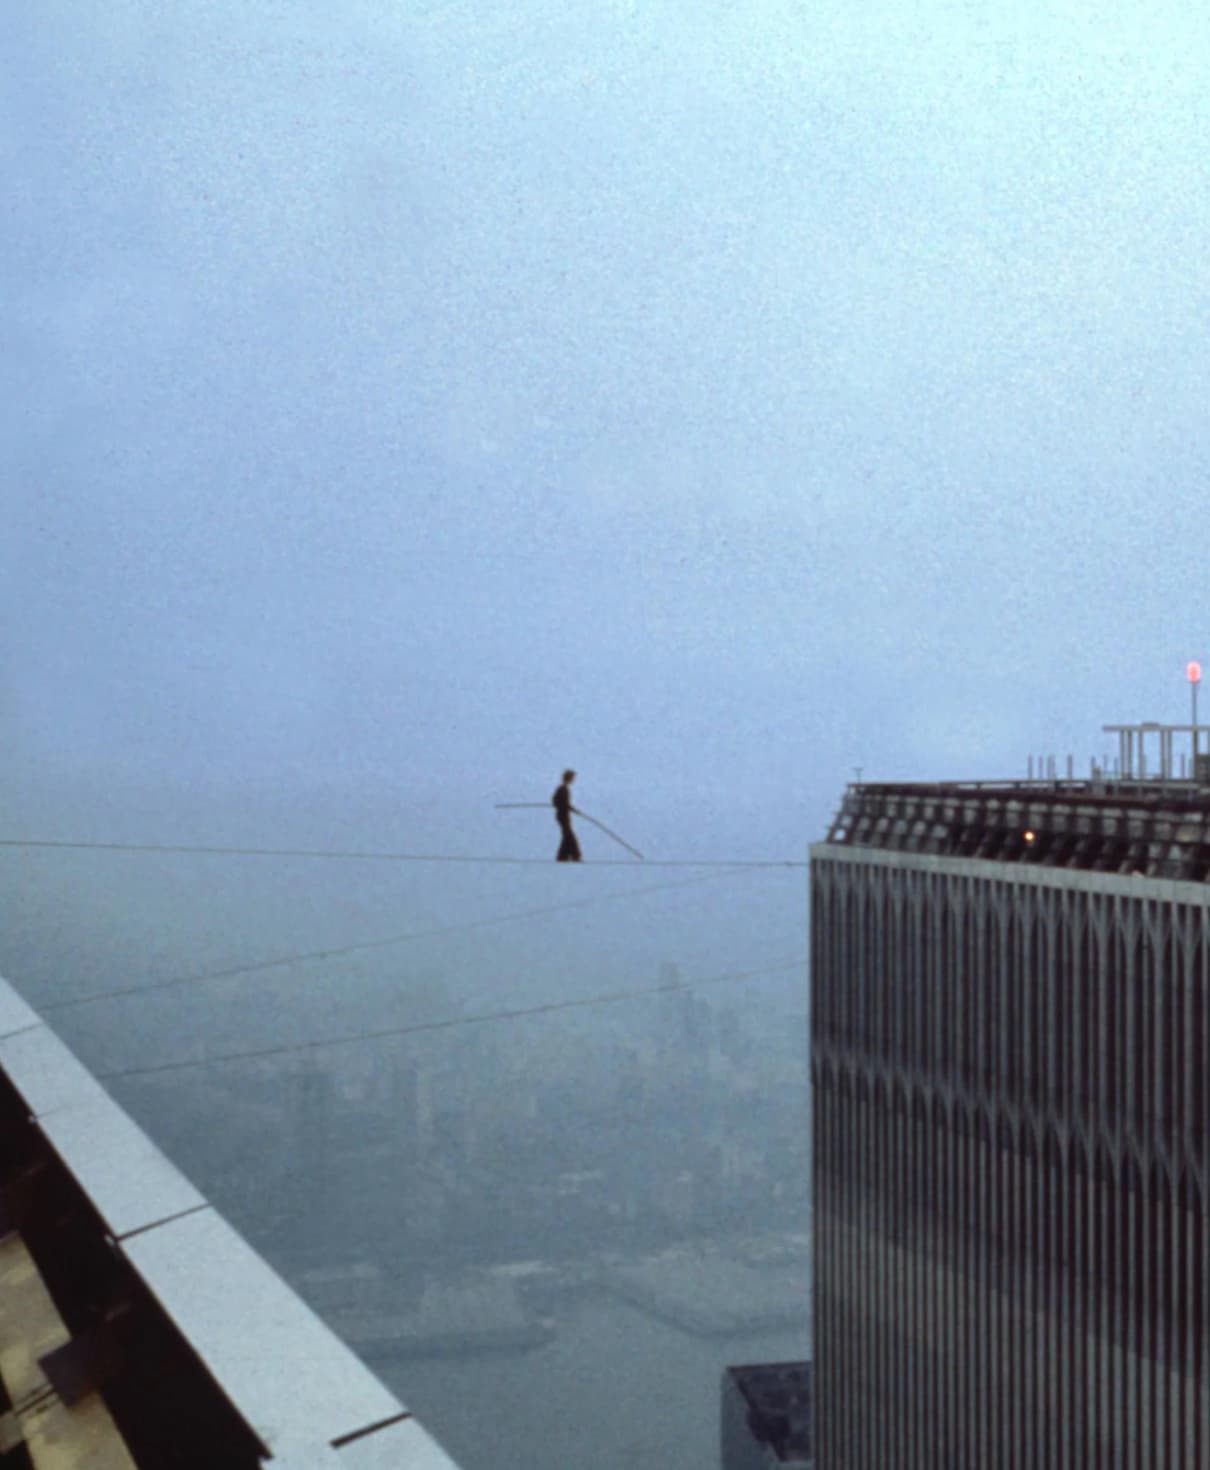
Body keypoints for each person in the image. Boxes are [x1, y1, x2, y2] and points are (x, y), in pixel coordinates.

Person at [552, 769, 582, 861]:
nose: (573, 780)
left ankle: (563, 856)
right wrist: (571, 809)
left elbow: (558, 802)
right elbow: (557, 802)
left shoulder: (563, 789)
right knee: (569, 835)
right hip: (562, 816)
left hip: (563, 816)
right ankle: (574, 855)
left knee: (567, 835)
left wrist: (572, 809)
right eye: (572, 778)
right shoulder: (562, 789)